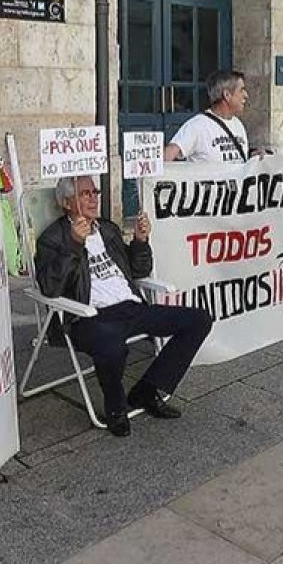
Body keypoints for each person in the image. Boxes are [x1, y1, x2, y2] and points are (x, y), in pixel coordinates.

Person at [34, 175, 212, 437]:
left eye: (95, 191)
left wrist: (140, 241)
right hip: (88, 316)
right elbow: (49, 287)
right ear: (66, 202)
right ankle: (116, 407)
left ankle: (148, 390)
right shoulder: (53, 239)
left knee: (199, 320)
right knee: (111, 344)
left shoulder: (108, 229)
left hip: (130, 306)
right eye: (85, 193)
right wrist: (73, 243)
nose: (94, 197)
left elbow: (139, 270)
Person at [164, 70, 254, 163]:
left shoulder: (238, 124)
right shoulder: (197, 125)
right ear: (227, 95)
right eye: (241, 90)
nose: (246, 95)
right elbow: (168, 154)